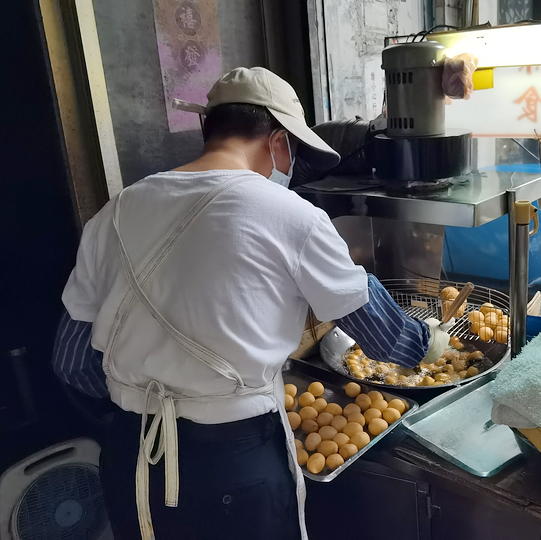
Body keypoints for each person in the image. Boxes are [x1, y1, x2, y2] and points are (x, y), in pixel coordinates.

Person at [51, 67, 450, 540]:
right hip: (233, 463)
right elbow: (380, 335)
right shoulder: (291, 216)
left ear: (209, 130)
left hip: (131, 458)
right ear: (278, 141)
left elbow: (72, 361)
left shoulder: (112, 213)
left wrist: (147, 397)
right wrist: (428, 343)